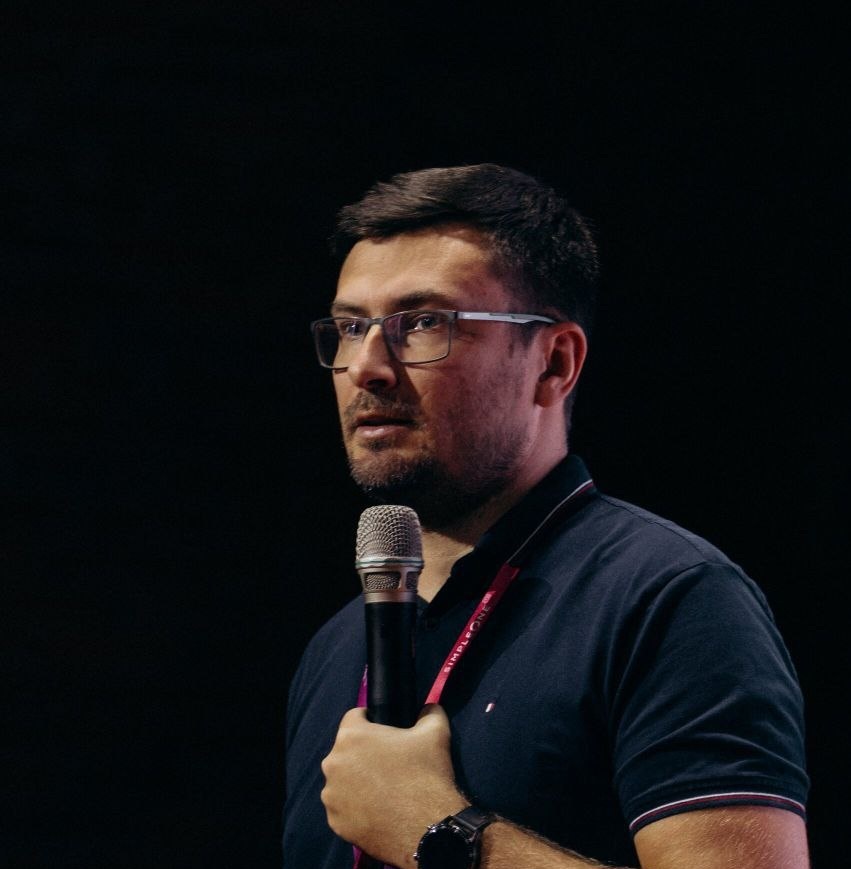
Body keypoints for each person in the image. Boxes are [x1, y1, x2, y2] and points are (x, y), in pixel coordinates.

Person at [282, 164, 809, 868]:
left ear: (554, 362)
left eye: (424, 323)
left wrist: (439, 830)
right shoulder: (334, 648)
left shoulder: (669, 598)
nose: (366, 367)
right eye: (352, 327)